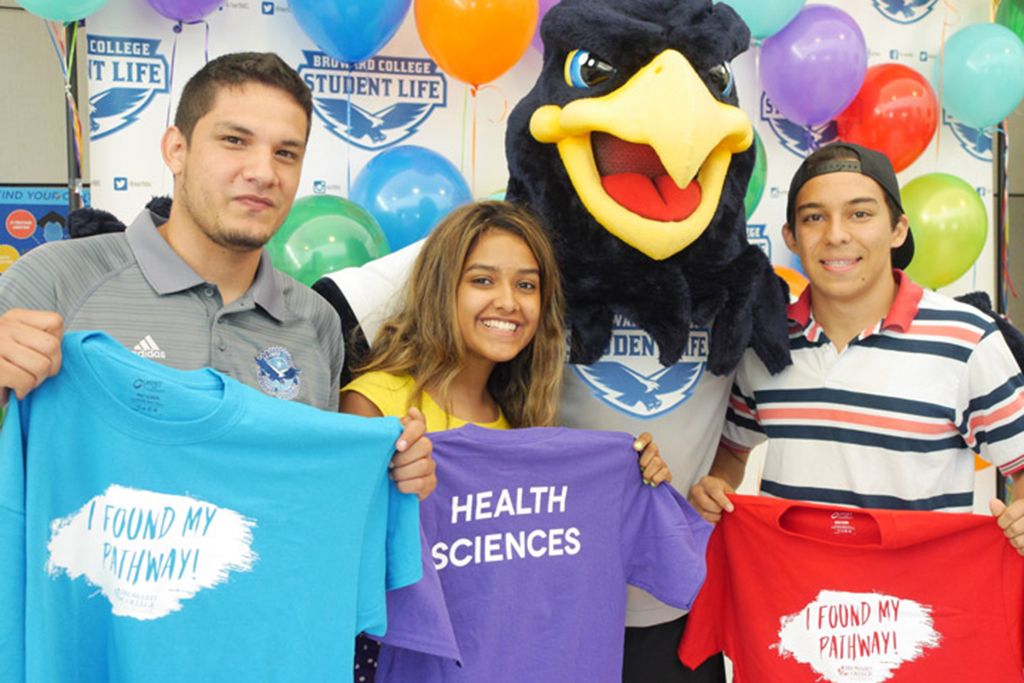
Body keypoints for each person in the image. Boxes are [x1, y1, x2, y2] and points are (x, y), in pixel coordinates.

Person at [0, 51, 435, 497]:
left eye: (286, 153)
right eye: (234, 141)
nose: (264, 172)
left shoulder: (317, 322)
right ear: (176, 149)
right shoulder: (56, 279)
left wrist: (387, 471)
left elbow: (308, 488)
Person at [340, 198, 673, 679]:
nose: (509, 302)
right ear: (440, 289)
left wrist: (637, 478)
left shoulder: (523, 430)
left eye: (526, 285)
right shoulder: (375, 405)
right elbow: (342, 562)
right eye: (482, 280)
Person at [688, 141, 1024, 551]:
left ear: (898, 229)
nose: (836, 235)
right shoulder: (768, 341)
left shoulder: (967, 339)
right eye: (814, 218)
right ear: (792, 237)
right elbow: (732, 454)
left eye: (860, 214)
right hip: (793, 602)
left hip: (915, 606)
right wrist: (715, 487)